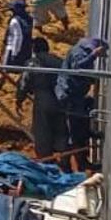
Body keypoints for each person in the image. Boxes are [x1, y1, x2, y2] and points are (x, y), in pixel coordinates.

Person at [17, 38, 70, 171]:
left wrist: (19, 99)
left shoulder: (32, 63)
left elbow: (24, 82)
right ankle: (64, 160)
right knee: (61, 129)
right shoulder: (59, 61)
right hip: (60, 100)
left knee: (42, 131)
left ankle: (46, 163)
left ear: (34, 49)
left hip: (42, 100)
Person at [56, 37, 108, 172]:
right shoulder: (80, 53)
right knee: (76, 130)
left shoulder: (80, 51)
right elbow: (78, 68)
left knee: (84, 116)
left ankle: (90, 134)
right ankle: (81, 163)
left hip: (74, 94)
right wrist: (94, 55)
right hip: (69, 95)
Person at [0, 0, 33, 90]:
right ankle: (23, 86)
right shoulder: (29, 18)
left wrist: (15, 53)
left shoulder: (15, 21)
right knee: (23, 67)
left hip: (13, 48)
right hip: (27, 48)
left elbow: (18, 37)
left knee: (5, 67)